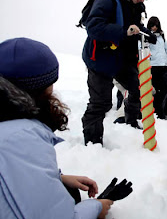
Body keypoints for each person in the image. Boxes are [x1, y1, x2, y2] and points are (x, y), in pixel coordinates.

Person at [0, 38, 113, 218]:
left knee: (70, 192)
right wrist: (96, 207)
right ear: (41, 87)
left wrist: (57, 179)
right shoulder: (19, 138)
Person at [81, 0, 158, 145]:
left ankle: (130, 121)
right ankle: (93, 143)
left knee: (139, 88)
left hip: (120, 58)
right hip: (100, 58)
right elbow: (93, 26)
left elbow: (136, 26)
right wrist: (124, 32)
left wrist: (147, 34)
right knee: (101, 103)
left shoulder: (136, 6)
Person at [147, 16, 167, 119]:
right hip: (152, 66)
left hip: (163, 66)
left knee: (164, 90)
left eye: (156, 26)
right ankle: (153, 111)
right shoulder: (146, 35)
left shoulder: (162, 36)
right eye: (152, 26)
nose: (154, 28)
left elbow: (166, 50)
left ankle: (162, 111)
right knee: (153, 90)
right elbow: (143, 48)